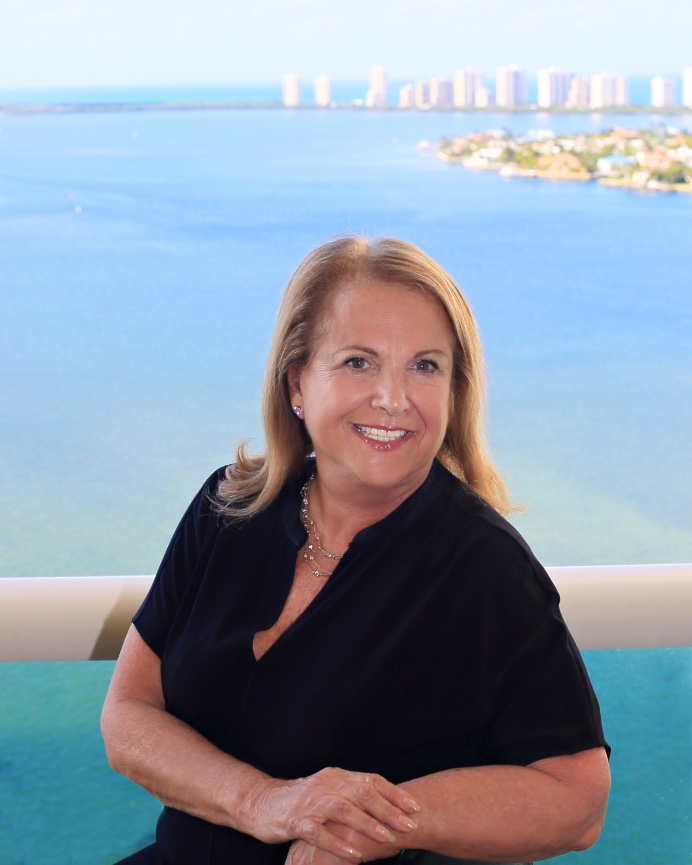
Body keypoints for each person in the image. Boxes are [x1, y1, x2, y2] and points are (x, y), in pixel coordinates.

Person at [101, 236, 610, 865]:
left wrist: (372, 824)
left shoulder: (485, 568)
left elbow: (576, 799)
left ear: (453, 392)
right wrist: (263, 802)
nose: (393, 398)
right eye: (357, 362)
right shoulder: (228, 508)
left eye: (425, 366)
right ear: (296, 382)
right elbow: (127, 717)